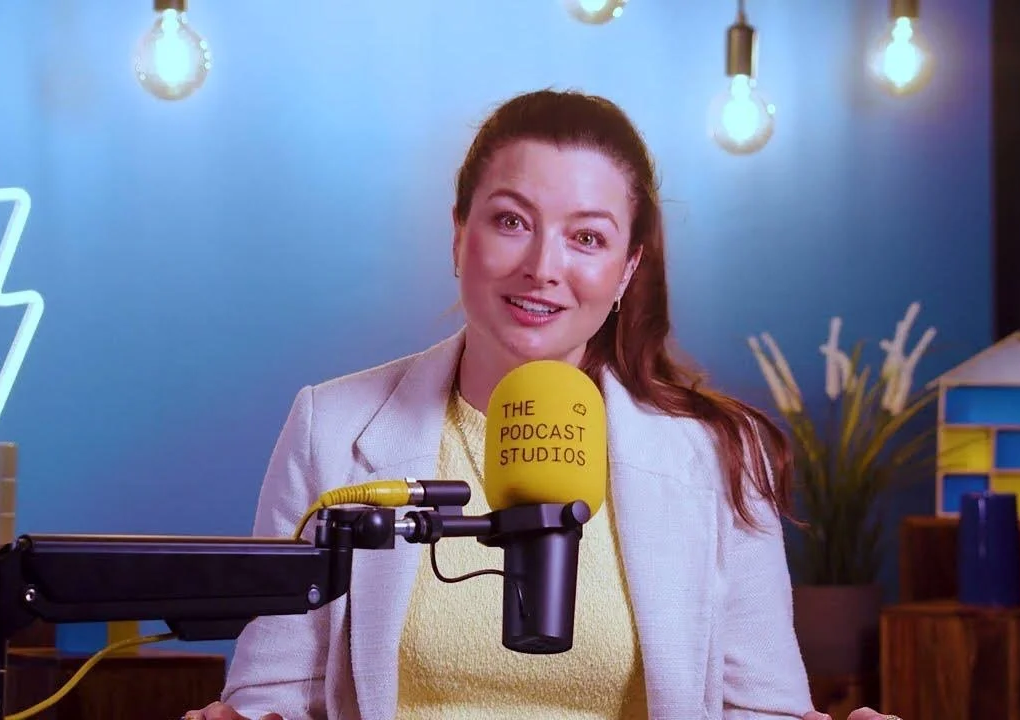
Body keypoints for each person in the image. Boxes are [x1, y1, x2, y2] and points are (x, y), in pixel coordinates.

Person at [183, 90, 902, 720]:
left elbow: (760, 710)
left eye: (587, 237)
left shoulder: (719, 454)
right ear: (459, 234)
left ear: (627, 271)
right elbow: (273, 693)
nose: (543, 268)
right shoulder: (331, 430)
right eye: (510, 221)